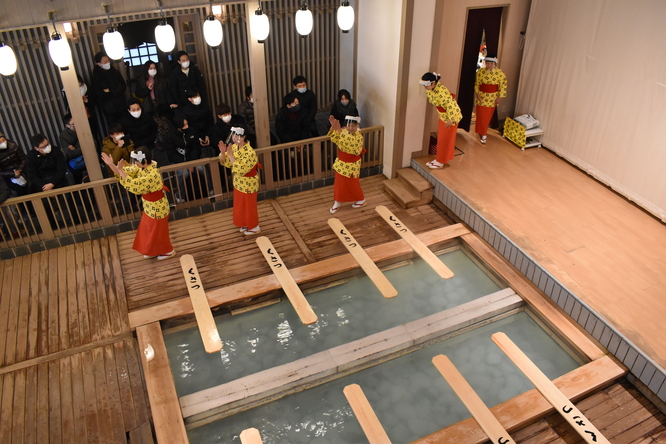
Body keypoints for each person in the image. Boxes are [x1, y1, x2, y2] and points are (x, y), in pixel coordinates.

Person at [102, 148, 175, 260]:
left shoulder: (152, 174)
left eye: (136, 161)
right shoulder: (142, 167)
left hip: (157, 207)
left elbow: (135, 186)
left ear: (144, 161)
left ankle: (168, 251)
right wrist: (112, 165)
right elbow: (124, 173)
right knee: (148, 229)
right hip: (150, 205)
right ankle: (152, 250)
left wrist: (120, 170)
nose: (135, 163)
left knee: (158, 231)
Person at [219, 126, 260, 235]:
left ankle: (254, 226)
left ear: (244, 137)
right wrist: (223, 153)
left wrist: (231, 156)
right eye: (233, 135)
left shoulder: (250, 152)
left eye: (238, 136)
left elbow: (242, 169)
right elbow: (226, 162)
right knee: (240, 205)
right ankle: (245, 223)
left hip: (248, 182)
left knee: (249, 205)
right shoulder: (234, 147)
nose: (235, 138)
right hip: (238, 182)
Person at [420, 72, 462, 169]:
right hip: (443, 116)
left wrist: (451, 119)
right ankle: (439, 159)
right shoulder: (433, 89)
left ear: (433, 83)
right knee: (442, 139)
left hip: (451, 118)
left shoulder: (442, 92)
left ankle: (441, 161)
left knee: (445, 140)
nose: (425, 88)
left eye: (427, 86)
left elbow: (452, 105)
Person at [328, 115, 366, 213]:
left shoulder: (359, 136)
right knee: (339, 184)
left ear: (357, 126)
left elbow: (349, 144)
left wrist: (339, 130)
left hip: (352, 165)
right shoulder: (344, 132)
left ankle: (361, 199)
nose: (350, 128)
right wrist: (333, 127)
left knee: (353, 183)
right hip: (341, 163)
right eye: (349, 125)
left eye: (353, 126)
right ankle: (338, 201)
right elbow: (335, 139)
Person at [474, 54, 507, 144]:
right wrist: (477, 93)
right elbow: (476, 84)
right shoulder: (480, 72)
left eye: (491, 63)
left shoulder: (500, 73)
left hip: (492, 98)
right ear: (485, 63)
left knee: (487, 116)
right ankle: (482, 132)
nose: (489, 65)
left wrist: (500, 97)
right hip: (482, 97)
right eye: (488, 63)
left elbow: (503, 86)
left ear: (495, 64)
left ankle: (484, 133)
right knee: (481, 115)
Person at [91, 51, 127, 125]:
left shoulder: (115, 72)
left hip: (122, 104)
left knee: (126, 124)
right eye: (105, 61)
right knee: (114, 128)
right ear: (99, 64)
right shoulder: (96, 76)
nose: (107, 63)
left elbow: (123, 86)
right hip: (109, 108)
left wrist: (110, 90)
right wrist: (116, 90)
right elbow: (100, 94)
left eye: (108, 60)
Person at [178, 90, 213, 156]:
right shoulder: (185, 111)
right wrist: (198, 138)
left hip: (207, 133)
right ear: (189, 99)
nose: (198, 98)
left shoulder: (205, 106)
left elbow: (210, 121)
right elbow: (188, 128)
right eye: (195, 96)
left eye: (198, 96)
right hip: (194, 136)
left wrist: (207, 135)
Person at [59, 113, 87, 183]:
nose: (77, 125)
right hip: (74, 160)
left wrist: (76, 148)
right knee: (76, 171)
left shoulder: (84, 129)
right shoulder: (63, 135)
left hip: (88, 156)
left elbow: (93, 145)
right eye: (74, 124)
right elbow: (70, 154)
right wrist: (82, 147)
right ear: (67, 126)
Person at [0, 131, 29, 197]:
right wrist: (13, 174)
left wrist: (19, 170)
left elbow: (23, 159)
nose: (3, 143)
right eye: (0, 142)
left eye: (3, 140)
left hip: (21, 171)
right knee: (19, 191)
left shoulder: (13, 145)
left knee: (30, 187)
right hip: (7, 176)